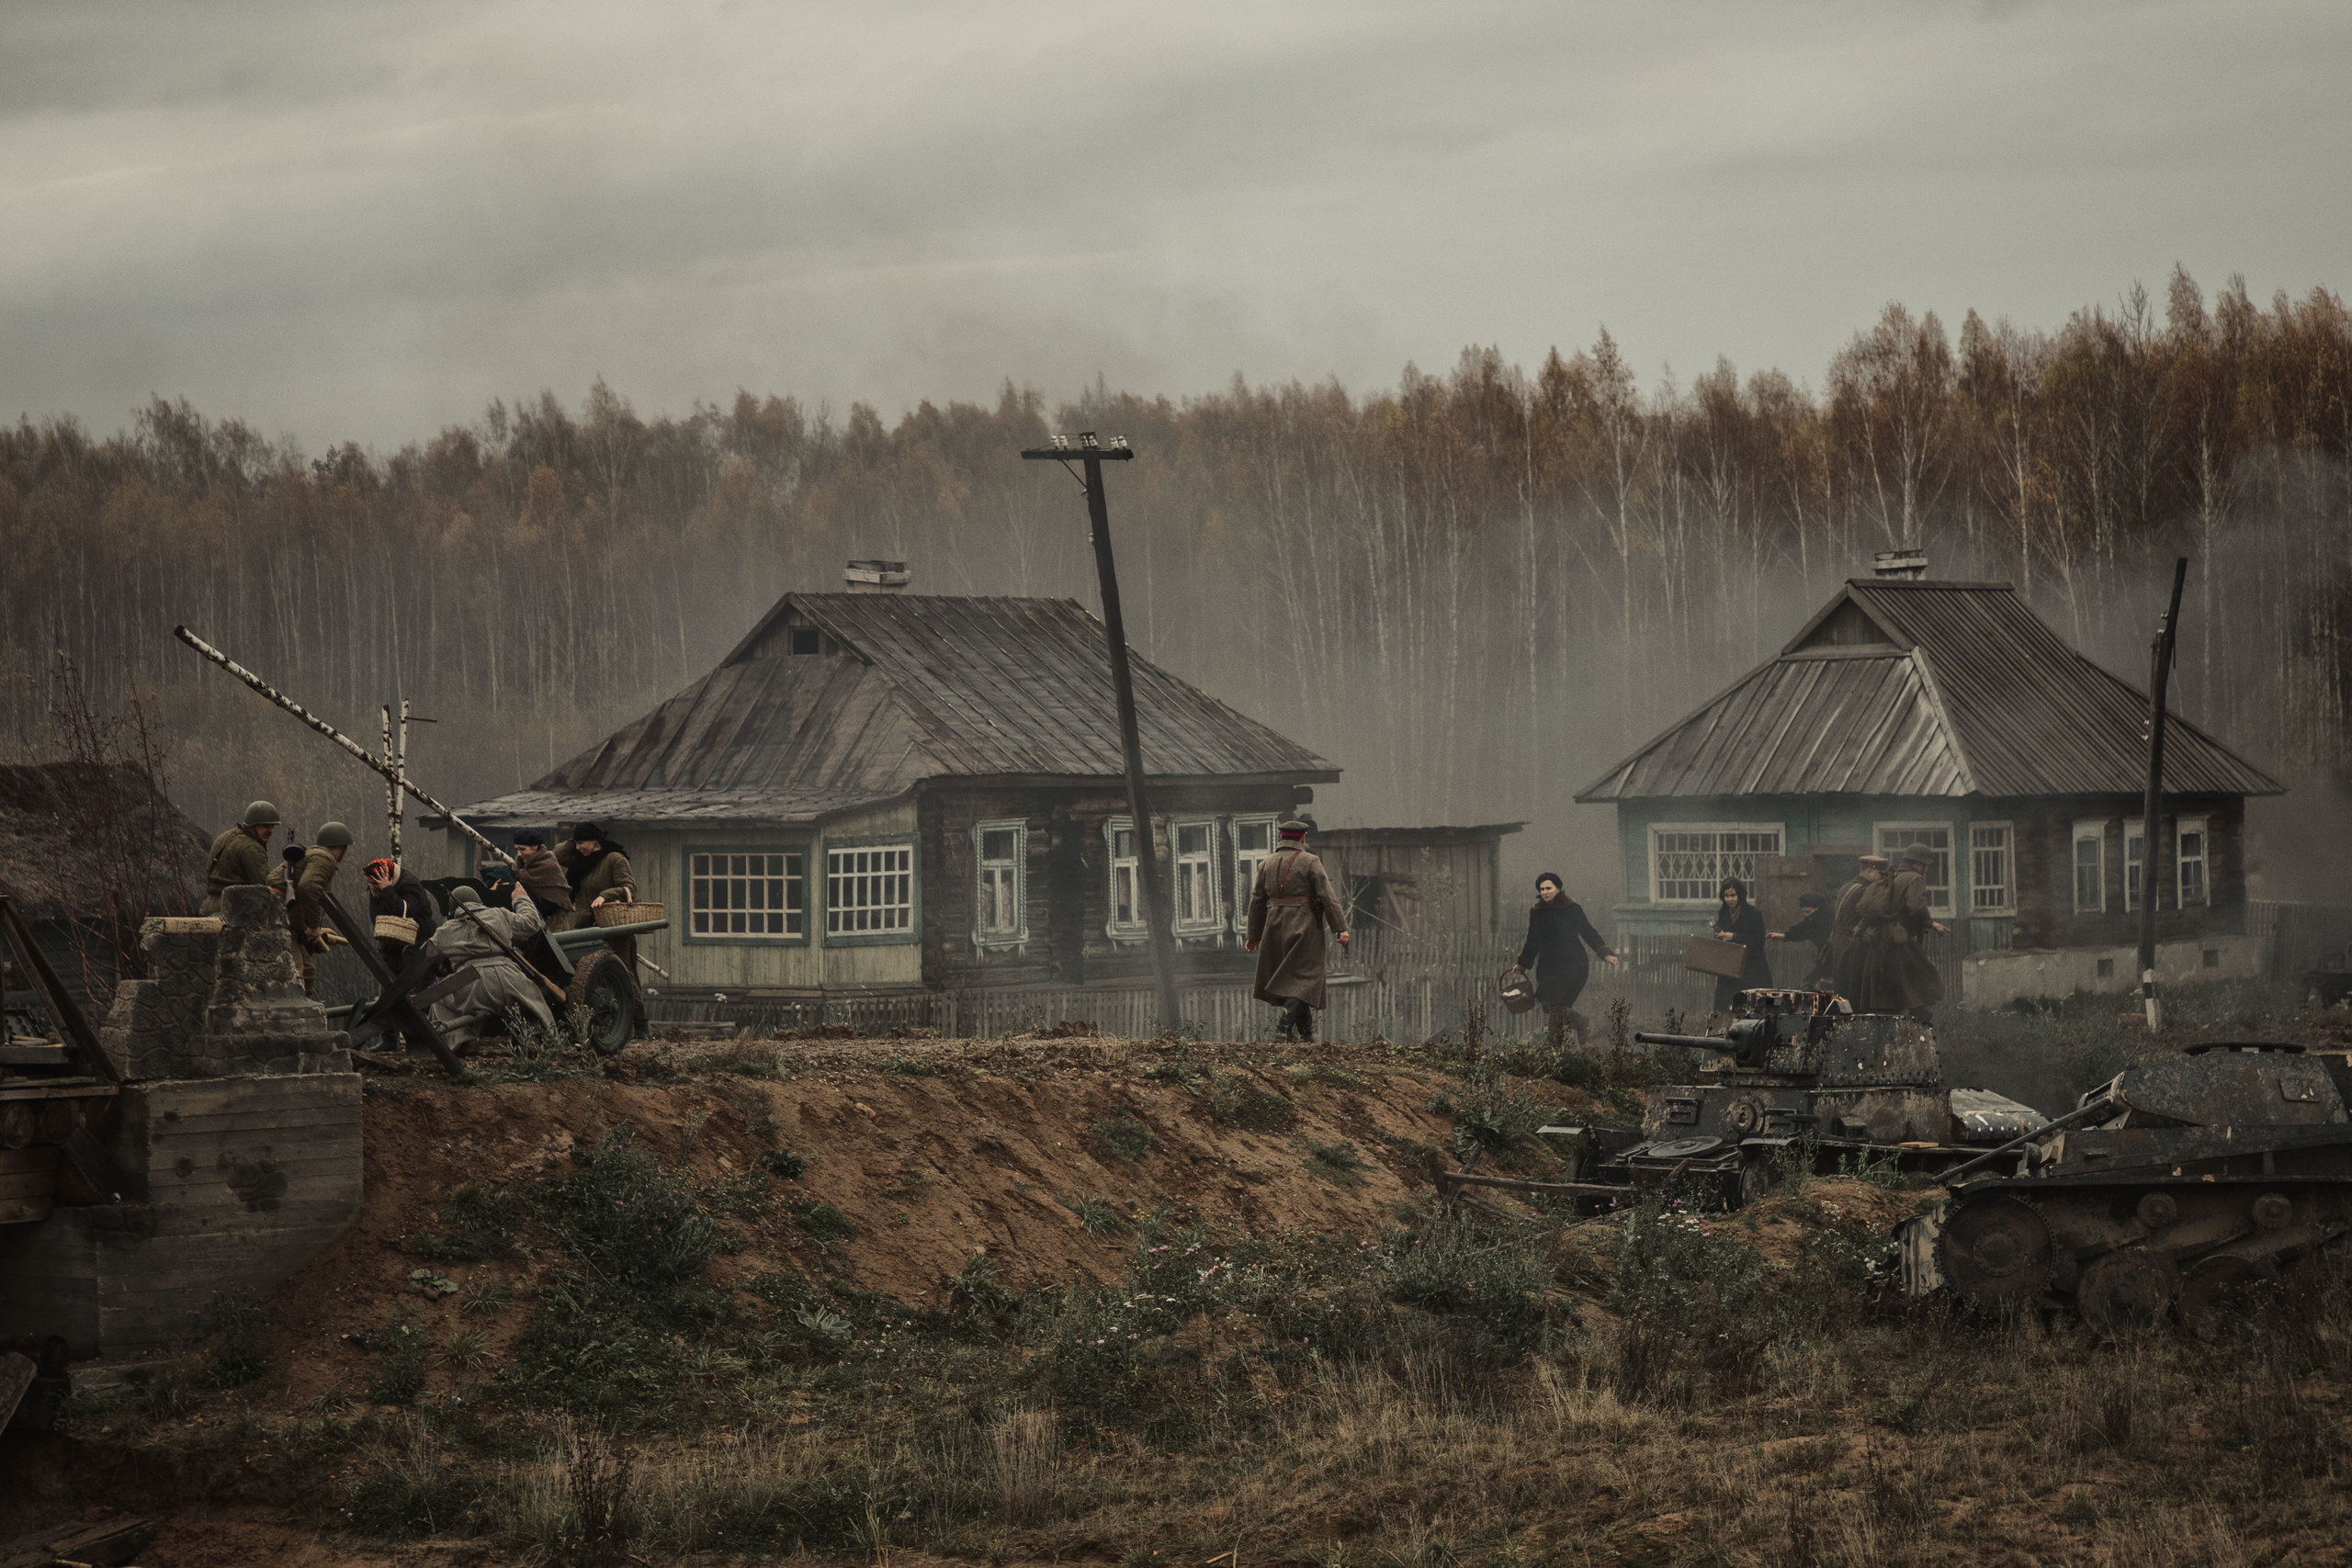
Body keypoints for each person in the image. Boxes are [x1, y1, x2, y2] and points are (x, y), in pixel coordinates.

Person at [1244, 818, 1351, 1043]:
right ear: (1302, 838)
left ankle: (1306, 1034)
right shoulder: (1311, 861)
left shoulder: (1266, 864)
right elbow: (1327, 896)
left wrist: (1253, 936)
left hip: (1274, 926)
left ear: (1281, 838)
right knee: (1305, 976)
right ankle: (1283, 1029)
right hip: (1304, 926)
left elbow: (1256, 902)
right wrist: (1340, 928)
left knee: (1293, 977)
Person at [417, 883, 556, 1050]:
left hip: (469, 985)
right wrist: (521, 898)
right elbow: (532, 923)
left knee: (439, 1001)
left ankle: (462, 1041)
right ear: (479, 902)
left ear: (452, 911)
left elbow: (424, 956)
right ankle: (537, 1037)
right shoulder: (499, 915)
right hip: (509, 978)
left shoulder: (445, 931)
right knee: (533, 1003)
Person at [1514, 874, 1619, 1041]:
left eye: (1549, 888)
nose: (1545, 892)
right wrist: (1523, 964)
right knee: (1549, 1002)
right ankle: (1580, 1024)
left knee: (1557, 1005)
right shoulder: (1536, 912)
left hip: (1574, 964)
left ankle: (1554, 1045)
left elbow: (1587, 931)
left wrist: (1604, 953)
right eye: (1542, 889)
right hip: (1548, 966)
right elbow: (1532, 940)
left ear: (1558, 888)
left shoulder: (1572, 909)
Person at [1856, 845, 1947, 1021]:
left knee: (1888, 994)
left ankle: (1887, 1037)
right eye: (1925, 865)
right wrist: (1930, 923)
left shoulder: (1892, 877)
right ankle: (1919, 1033)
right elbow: (1917, 908)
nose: (1926, 869)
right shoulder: (1915, 879)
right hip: (1899, 943)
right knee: (1926, 983)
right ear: (1919, 865)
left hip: (1880, 942)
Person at [270, 821, 353, 997]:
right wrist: (314, 927)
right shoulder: (325, 858)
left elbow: (303, 895)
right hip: (278, 915)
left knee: (308, 972)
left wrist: (315, 930)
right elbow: (308, 888)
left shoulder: (313, 855)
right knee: (296, 973)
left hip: (288, 916)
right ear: (342, 847)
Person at [199, 801, 280, 915]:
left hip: (209, 907)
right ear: (253, 825)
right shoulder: (252, 848)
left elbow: (209, 871)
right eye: (265, 826)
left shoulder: (226, 836)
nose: (271, 830)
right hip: (234, 912)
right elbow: (264, 887)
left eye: (272, 826)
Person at [364, 856, 441, 974]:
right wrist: (378, 895)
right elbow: (378, 920)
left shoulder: (410, 884)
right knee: (387, 988)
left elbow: (404, 913)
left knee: (417, 989)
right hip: (391, 951)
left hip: (418, 949)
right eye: (369, 883)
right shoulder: (376, 888)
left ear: (388, 879)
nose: (372, 887)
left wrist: (387, 890)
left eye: (374, 883)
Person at [553, 821, 635, 931]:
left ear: (594, 840)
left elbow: (630, 889)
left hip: (613, 929)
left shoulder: (615, 859)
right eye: (575, 843)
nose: (577, 848)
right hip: (585, 928)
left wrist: (605, 896)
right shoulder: (580, 862)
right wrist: (575, 839)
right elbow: (558, 855)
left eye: (581, 843)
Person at [1709, 877, 1774, 1013]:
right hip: (1730, 968)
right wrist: (1720, 937)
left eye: (1733, 895)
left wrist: (1734, 936)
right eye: (1726, 896)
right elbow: (1724, 933)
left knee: (1750, 1010)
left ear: (1740, 895)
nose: (1730, 899)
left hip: (1751, 968)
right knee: (1724, 1007)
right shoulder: (1724, 912)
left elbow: (1758, 940)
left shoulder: (1753, 914)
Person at [1828, 855, 1883, 1000]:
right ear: (1870, 871)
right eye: (1880, 874)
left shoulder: (1846, 886)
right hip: (1853, 944)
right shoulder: (1865, 890)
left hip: (1840, 943)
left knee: (1841, 987)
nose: (1882, 879)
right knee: (1854, 989)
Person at [510, 829, 574, 924]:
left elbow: (555, 898)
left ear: (535, 846)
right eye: (517, 849)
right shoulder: (518, 865)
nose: (519, 854)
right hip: (530, 918)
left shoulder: (548, 864)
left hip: (553, 921)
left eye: (522, 849)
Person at [1773, 892, 1836, 986]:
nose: (1806, 915)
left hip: (1833, 964)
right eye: (1804, 912)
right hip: (1823, 964)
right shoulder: (1813, 919)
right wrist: (1784, 936)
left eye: (1808, 912)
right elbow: (1802, 929)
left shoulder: (1827, 921)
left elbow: (1811, 933)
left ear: (1819, 909)